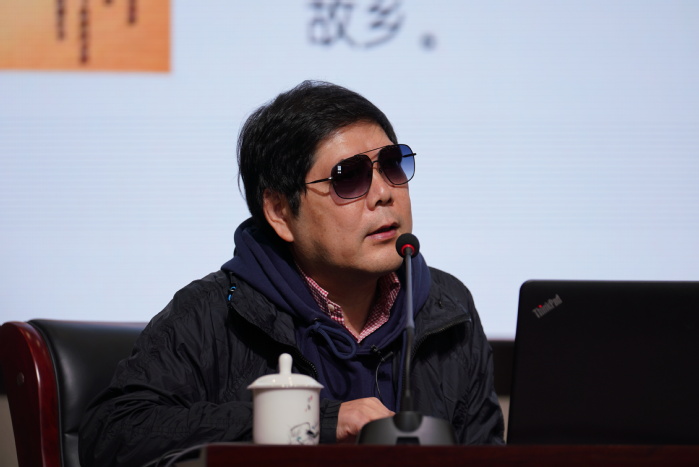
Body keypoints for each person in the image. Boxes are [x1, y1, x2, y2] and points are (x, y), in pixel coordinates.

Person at [79, 80, 504, 466]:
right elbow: (113, 433)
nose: (383, 194)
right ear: (280, 211)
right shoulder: (215, 312)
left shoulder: (447, 308)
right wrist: (312, 423)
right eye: (348, 177)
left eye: (393, 165)